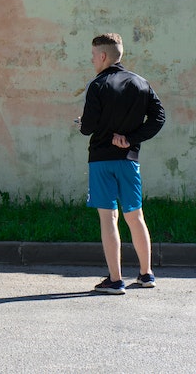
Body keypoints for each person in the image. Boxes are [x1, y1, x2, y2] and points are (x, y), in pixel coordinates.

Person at [79, 34, 165, 294]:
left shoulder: (97, 86)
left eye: (93, 55)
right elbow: (159, 118)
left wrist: (83, 121)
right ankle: (146, 274)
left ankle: (115, 280)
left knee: (109, 218)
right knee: (136, 216)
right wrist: (130, 139)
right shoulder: (141, 83)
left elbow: (88, 128)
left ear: (103, 56)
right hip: (129, 161)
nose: (92, 60)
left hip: (102, 161)